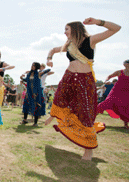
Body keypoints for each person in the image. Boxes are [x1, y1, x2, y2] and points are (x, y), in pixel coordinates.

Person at [44, 17, 121, 161]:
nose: (64, 32)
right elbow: (53, 49)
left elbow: (116, 28)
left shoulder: (90, 40)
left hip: (84, 80)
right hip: (69, 77)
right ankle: (54, 115)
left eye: (66, 29)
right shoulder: (69, 44)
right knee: (59, 98)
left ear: (74, 29)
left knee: (85, 111)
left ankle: (88, 149)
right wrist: (49, 58)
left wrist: (98, 22)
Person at [97, 59, 129, 129]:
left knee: (125, 107)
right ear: (124, 65)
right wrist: (106, 80)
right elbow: (109, 76)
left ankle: (125, 124)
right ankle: (91, 119)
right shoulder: (120, 72)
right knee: (106, 102)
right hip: (116, 91)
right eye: (127, 63)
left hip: (126, 92)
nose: (127, 64)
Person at [20, 62, 46, 126]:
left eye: (34, 65)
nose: (32, 66)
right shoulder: (29, 74)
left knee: (36, 106)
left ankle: (35, 123)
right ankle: (25, 120)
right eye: (32, 65)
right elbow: (26, 80)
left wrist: (42, 71)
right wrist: (22, 78)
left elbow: (48, 70)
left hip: (35, 93)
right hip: (28, 92)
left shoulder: (38, 74)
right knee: (26, 105)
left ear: (36, 67)